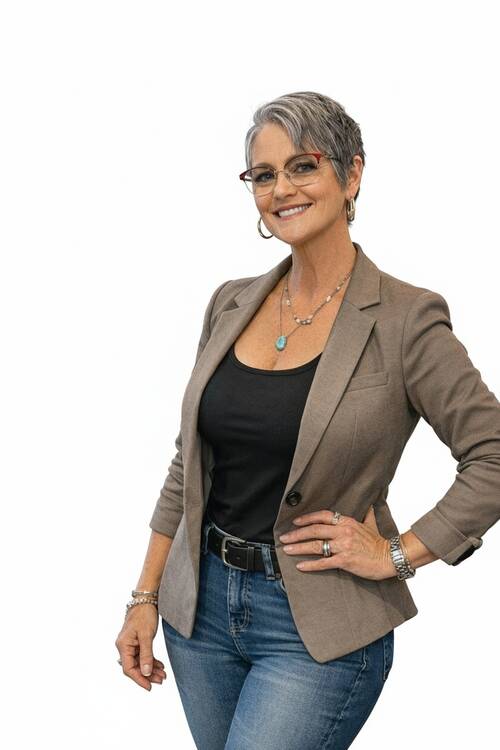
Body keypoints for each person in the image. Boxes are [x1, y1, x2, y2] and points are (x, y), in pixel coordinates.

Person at [115, 91, 500, 749]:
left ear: (352, 175)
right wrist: (145, 596)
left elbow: (491, 452)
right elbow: (190, 464)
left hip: (316, 629)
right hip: (199, 614)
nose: (282, 189)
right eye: (264, 174)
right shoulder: (230, 303)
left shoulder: (406, 320)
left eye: (304, 166)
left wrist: (400, 554)